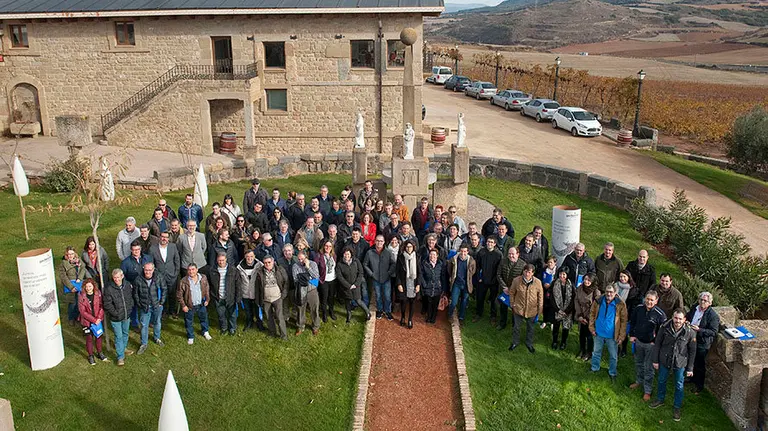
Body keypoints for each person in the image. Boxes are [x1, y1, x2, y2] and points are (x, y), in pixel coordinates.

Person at [650, 309, 697, 422]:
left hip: (680, 361)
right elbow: (657, 344)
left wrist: (690, 368)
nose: (677, 321)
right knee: (661, 380)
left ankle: (677, 407)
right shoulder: (664, 327)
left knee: (679, 385)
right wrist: (655, 360)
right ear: (672, 317)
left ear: (684, 320)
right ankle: (660, 399)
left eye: (680, 319)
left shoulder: (690, 332)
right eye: (675, 318)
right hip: (664, 359)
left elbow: (692, 350)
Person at [629, 290, 666, 401]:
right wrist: (632, 335)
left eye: (651, 300)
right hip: (638, 341)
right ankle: (639, 381)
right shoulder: (639, 308)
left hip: (651, 345)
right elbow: (633, 322)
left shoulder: (660, 315)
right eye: (647, 299)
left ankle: (647, 390)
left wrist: (655, 342)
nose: (649, 301)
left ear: (656, 301)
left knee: (648, 367)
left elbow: (662, 332)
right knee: (638, 363)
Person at [589, 283, 628, 382]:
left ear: (615, 293)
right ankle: (594, 368)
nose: (608, 294)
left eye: (611, 292)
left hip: (612, 335)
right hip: (598, 333)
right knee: (596, 352)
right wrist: (592, 328)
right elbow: (592, 314)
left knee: (613, 356)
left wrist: (621, 336)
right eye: (607, 291)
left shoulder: (621, 304)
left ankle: (612, 372)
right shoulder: (598, 300)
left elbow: (624, 321)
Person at [686, 291, 720, 395]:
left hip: (702, 342)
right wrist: (686, 321)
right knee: (691, 359)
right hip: (690, 337)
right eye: (701, 299)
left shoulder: (713, 316)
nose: (702, 302)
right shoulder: (695, 307)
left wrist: (699, 330)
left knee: (699, 364)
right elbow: (688, 316)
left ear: (710, 303)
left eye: (705, 301)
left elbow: (713, 332)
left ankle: (699, 386)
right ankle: (691, 378)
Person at [508, 264, 543, 354]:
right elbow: (511, 292)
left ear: (533, 273)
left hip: (532, 310)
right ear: (523, 271)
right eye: (526, 271)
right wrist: (512, 304)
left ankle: (529, 343)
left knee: (530, 328)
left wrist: (539, 310)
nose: (527, 274)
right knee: (516, 327)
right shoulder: (516, 280)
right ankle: (515, 342)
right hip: (518, 309)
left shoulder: (538, 282)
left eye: (529, 272)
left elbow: (540, 297)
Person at [132, 262, 167, 354]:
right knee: (144, 325)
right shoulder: (138, 279)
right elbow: (135, 294)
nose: (147, 272)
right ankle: (143, 343)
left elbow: (164, 289)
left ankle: (157, 338)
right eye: (146, 270)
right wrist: (139, 304)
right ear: (143, 269)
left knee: (157, 322)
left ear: (153, 269)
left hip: (157, 305)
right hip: (144, 307)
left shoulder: (159, 277)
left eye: (150, 270)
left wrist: (161, 302)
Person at [103, 269, 135, 366]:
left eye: (118, 277)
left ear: (122, 276)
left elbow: (130, 298)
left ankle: (124, 348)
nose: (116, 279)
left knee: (125, 333)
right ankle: (120, 357)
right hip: (116, 317)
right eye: (115, 278)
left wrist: (130, 308)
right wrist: (115, 313)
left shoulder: (127, 285)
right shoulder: (109, 289)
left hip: (126, 315)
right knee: (118, 336)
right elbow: (107, 304)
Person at [177, 263, 212, 344]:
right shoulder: (183, 281)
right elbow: (179, 295)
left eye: (193, 269)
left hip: (201, 304)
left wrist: (207, 299)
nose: (191, 271)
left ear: (197, 270)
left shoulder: (203, 278)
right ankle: (190, 336)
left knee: (204, 318)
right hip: (189, 306)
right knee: (188, 321)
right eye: (189, 270)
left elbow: (207, 289)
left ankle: (205, 331)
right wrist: (183, 305)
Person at [364, 235, 396, 320]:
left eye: (381, 241)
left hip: (386, 278)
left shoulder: (388, 252)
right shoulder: (370, 252)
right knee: (378, 296)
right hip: (376, 278)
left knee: (387, 296)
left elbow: (393, 264)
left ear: (384, 242)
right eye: (377, 241)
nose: (379, 243)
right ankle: (380, 310)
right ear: (375, 241)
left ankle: (387, 311)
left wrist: (389, 273)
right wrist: (371, 274)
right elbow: (365, 264)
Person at [258, 255, 290, 340]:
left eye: (269, 262)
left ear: (273, 262)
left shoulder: (279, 269)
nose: (267, 264)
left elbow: (286, 282)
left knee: (280, 317)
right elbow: (257, 287)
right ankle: (272, 333)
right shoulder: (260, 272)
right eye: (265, 263)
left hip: (277, 298)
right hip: (266, 299)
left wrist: (283, 296)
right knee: (269, 317)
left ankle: (284, 336)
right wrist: (259, 300)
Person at [337, 247, 372, 323]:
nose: (347, 256)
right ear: (343, 254)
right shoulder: (339, 264)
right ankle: (349, 315)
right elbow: (340, 277)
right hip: (346, 287)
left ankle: (368, 313)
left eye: (348, 254)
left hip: (356, 286)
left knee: (358, 301)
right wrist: (348, 286)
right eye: (345, 254)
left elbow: (361, 273)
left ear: (351, 254)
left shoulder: (356, 261)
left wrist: (356, 284)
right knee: (347, 302)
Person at [150, 231, 180, 319]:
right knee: (163, 294)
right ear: (159, 237)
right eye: (162, 237)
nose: (164, 239)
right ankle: (164, 311)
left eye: (166, 237)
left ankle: (172, 310)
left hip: (172, 275)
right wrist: (155, 275)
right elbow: (151, 263)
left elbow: (177, 260)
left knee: (172, 293)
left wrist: (176, 272)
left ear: (168, 238)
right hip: (160, 276)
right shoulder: (153, 248)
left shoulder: (173, 246)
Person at [77, 278, 107, 365]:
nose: (88, 288)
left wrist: (98, 318)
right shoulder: (81, 296)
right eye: (86, 287)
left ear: (93, 286)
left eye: (90, 286)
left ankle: (99, 352)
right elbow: (82, 311)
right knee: (89, 338)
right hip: (87, 321)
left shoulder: (98, 294)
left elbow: (102, 306)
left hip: (97, 320)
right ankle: (90, 355)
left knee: (98, 337)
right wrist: (94, 320)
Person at [208, 253, 239, 335]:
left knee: (232, 314)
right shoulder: (212, 270)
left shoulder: (233, 270)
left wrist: (238, 297)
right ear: (217, 260)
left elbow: (238, 284)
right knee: (221, 315)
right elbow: (210, 284)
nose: (221, 262)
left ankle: (232, 328)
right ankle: (224, 328)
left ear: (226, 260)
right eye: (219, 260)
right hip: (218, 297)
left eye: (222, 260)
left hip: (230, 297)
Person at [473, 236, 502, 323]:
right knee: (480, 298)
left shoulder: (498, 254)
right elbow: (477, 266)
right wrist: (479, 277)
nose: (489, 244)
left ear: (495, 244)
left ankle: (493, 316)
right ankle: (478, 313)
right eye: (488, 242)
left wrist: (495, 280)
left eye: (491, 242)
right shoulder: (481, 252)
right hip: (482, 280)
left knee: (493, 300)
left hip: (494, 282)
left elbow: (499, 269)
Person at [292, 250, 321, 336]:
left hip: (312, 290)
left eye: (302, 259)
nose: (300, 261)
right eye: (299, 259)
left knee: (314, 308)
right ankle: (300, 326)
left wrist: (308, 267)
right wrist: (309, 278)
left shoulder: (313, 264)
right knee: (300, 309)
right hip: (301, 290)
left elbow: (316, 276)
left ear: (306, 258)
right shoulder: (295, 266)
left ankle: (315, 326)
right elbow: (296, 279)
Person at [496, 247, 526, 330]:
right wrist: (504, 287)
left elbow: (522, 280)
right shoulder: (503, 261)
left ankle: (514, 325)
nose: (511, 256)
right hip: (503, 290)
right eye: (509, 254)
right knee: (503, 307)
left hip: (515, 292)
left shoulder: (523, 265)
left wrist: (512, 289)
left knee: (514, 309)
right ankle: (502, 323)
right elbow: (498, 274)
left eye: (513, 254)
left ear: (518, 254)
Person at [236, 250, 264, 332]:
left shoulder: (260, 265)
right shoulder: (239, 267)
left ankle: (259, 323)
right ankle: (249, 322)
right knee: (248, 310)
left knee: (257, 309)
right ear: (245, 257)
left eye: (251, 256)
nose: (250, 258)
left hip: (256, 292)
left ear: (254, 256)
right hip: (245, 292)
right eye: (248, 256)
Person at [447, 244, 476, 323]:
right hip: (457, 283)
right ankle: (449, 314)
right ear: (459, 251)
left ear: (467, 252)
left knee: (464, 301)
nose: (463, 253)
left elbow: (473, 271)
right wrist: (452, 277)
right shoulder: (454, 259)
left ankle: (461, 317)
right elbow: (449, 269)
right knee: (454, 302)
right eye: (461, 251)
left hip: (466, 284)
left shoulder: (471, 261)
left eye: (465, 251)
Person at [574, 274, 599, 361]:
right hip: (581, 315)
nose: (586, 281)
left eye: (589, 280)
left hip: (590, 317)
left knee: (589, 336)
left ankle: (589, 352)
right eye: (585, 279)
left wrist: (588, 318)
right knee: (581, 334)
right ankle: (582, 349)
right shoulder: (579, 288)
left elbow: (596, 307)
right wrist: (580, 315)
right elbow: (576, 301)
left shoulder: (596, 292)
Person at [419, 248, 448, 324]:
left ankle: (433, 318)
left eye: (434, 254)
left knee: (435, 303)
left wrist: (443, 287)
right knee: (429, 303)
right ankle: (428, 317)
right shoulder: (425, 263)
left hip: (437, 287)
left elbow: (443, 276)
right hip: (428, 286)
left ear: (437, 256)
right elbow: (421, 275)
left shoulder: (441, 264)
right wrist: (424, 284)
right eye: (431, 254)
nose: (432, 256)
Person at [396, 240, 420, 328]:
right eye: (407, 247)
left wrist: (418, 284)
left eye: (410, 247)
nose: (409, 248)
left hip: (413, 282)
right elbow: (397, 272)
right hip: (404, 282)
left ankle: (410, 319)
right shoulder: (401, 257)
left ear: (413, 247)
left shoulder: (417, 257)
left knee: (412, 302)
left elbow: (419, 272)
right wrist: (399, 284)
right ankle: (402, 317)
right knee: (403, 301)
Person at [314, 239, 339, 322]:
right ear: (323, 246)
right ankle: (324, 314)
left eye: (330, 246)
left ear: (332, 248)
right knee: (324, 298)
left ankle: (331, 312)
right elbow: (315, 268)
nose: (328, 247)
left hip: (333, 280)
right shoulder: (319, 256)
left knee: (331, 298)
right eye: (326, 246)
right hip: (324, 281)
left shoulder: (334, 256)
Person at [551, 267, 574, 350]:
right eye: (560, 274)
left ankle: (563, 342)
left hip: (567, 311)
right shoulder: (554, 283)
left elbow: (573, 299)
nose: (562, 276)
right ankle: (554, 341)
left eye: (564, 274)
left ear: (567, 275)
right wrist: (558, 310)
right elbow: (552, 298)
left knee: (565, 328)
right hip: (557, 310)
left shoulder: (571, 285)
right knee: (556, 327)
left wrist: (567, 311)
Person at [614, 270, 636, 357]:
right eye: (621, 277)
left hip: (627, 314)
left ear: (628, 277)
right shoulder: (615, 286)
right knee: (616, 331)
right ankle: (617, 348)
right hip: (615, 313)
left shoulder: (633, 289)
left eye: (624, 277)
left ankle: (623, 349)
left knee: (624, 332)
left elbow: (633, 304)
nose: (622, 278)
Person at [539, 256, 558, 329]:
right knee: (545, 305)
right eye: (548, 262)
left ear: (555, 263)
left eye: (551, 262)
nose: (550, 264)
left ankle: (552, 322)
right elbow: (540, 278)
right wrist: (544, 284)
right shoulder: (544, 269)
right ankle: (545, 321)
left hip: (554, 291)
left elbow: (559, 280)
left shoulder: (558, 270)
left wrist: (551, 285)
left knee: (552, 307)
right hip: (545, 290)